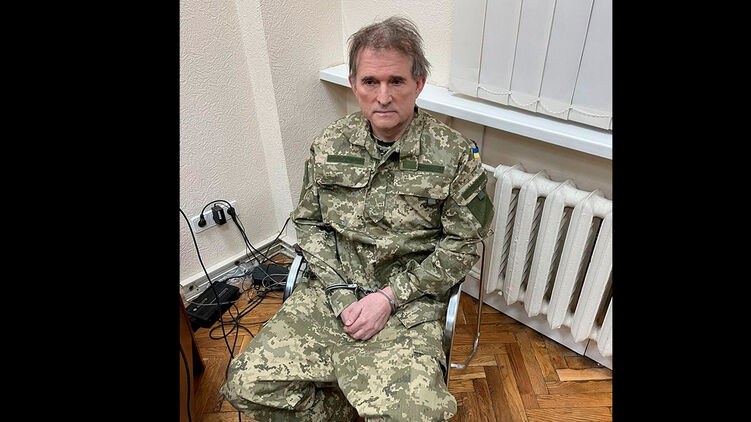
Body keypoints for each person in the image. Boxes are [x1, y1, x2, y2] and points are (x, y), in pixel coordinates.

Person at [220, 16, 494, 422]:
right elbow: (309, 224)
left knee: (417, 415)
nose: (383, 96)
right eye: (370, 82)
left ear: (419, 83)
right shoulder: (329, 144)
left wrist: (389, 297)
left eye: (396, 81)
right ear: (354, 84)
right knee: (245, 384)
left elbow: (463, 246)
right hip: (329, 294)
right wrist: (339, 292)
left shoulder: (454, 156)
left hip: (407, 305)